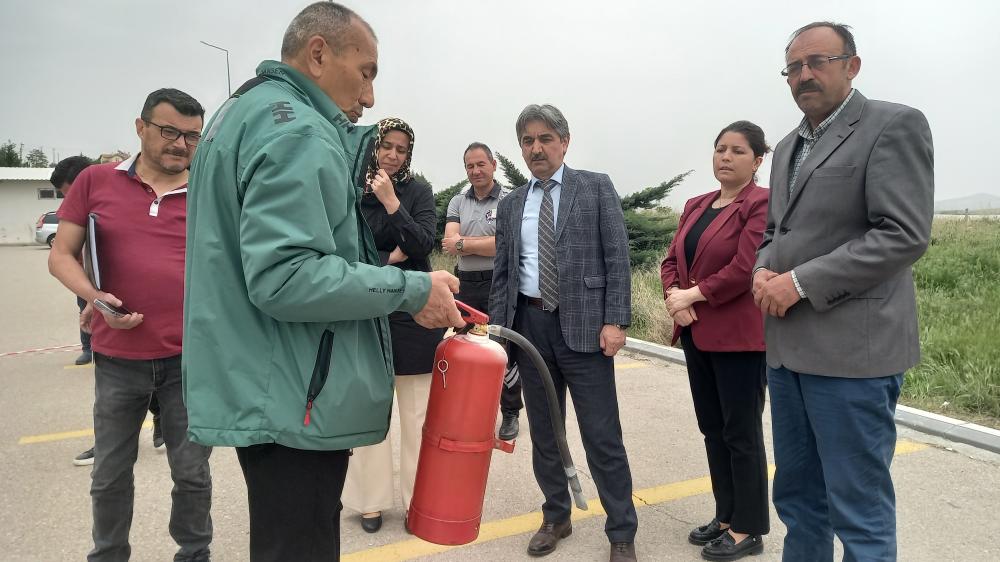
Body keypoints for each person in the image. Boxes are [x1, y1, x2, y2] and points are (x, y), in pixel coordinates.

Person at [182, 3, 464, 561]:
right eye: (366, 73)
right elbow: (287, 276)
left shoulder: (245, 112)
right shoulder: (297, 131)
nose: (370, 97)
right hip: (292, 393)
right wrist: (411, 290)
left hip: (265, 380)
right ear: (318, 54)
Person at [752, 22, 934, 562]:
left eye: (818, 62)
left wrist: (800, 282)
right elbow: (774, 233)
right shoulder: (787, 146)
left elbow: (902, 234)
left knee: (859, 510)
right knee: (798, 500)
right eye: (793, 67)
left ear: (852, 66)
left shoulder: (892, 125)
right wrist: (763, 270)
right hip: (787, 354)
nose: (804, 75)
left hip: (853, 357)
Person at [48, 88, 212, 561]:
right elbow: (61, 256)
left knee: (192, 473)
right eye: (169, 131)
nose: (180, 144)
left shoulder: (209, 189)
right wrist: (94, 297)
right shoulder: (95, 181)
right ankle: (109, 554)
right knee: (110, 474)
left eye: (192, 136)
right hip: (118, 361)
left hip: (190, 360)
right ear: (140, 127)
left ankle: (194, 553)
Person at [489, 104, 638, 562]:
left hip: (586, 328)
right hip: (530, 327)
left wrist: (616, 320)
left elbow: (617, 257)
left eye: (545, 138)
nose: (536, 148)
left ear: (564, 142)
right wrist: (499, 334)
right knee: (546, 432)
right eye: (528, 141)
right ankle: (556, 516)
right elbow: (503, 273)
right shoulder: (512, 203)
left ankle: (621, 531)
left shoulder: (595, 187)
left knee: (602, 435)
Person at [660, 121, 771, 561]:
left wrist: (693, 295)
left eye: (738, 151)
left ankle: (748, 528)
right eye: (720, 148)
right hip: (696, 331)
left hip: (739, 338)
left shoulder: (760, 203)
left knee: (741, 433)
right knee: (712, 429)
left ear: (757, 161)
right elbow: (672, 260)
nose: (726, 156)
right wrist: (675, 299)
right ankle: (725, 516)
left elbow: (746, 267)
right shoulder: (696, 204)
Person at [342, 117, 445, 533]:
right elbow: (344, 249)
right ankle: (369, 502)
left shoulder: (417, 191)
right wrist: (389, 260)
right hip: (366, 311)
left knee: (418, 416)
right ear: (374, 146)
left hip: (413, 316)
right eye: (387, 146)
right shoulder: (351, 189)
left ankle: (419, 501)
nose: (393, 155)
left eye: (402, 149)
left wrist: (391, 202)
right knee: (369, 410)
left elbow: (422, 244)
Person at [50, 156, 166, 468]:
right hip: (93, 287)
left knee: (151, 366)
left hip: (128, 301)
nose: (66, 201)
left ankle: (160, 420)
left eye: (67, 192)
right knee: (113, 389)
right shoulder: (84, 204)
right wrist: (93, 298)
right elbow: (66, 255)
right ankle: (110, 441)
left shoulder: (123, 191)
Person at [442, 141, 523, 440]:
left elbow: (506, 245)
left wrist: (465, 243)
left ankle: (510, 411)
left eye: (481, 164)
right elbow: (449, 243)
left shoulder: (509, 200)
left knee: (501, 349)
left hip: (498, 283)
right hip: (465, 284)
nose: (475, 171)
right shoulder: (457, 202)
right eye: (470, 166)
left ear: (493, 165)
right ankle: (471, 411)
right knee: (466, 348)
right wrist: (481, 244)